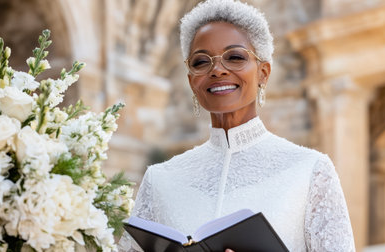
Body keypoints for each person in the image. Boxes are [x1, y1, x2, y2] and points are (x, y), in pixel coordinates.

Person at [119, 0, 355, 251]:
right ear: (191, 81)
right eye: (201, 62)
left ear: (263, 72)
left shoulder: (310, 171)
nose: (217, 70)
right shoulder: (160, 181)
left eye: (235, 57)